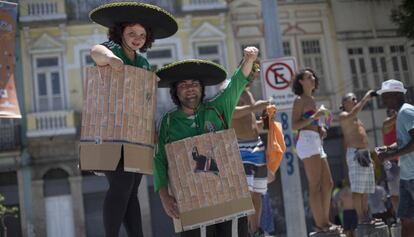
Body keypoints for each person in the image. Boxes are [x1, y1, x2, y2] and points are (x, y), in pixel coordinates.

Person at [88, 2, 178, 236]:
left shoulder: (144, 63)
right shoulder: (112, 49)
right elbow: (95, 51)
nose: (137, 38)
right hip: (110, 132)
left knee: (132, 188)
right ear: (121, 33)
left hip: (136, 133)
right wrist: (109, 58)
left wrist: (151, 129)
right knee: (121, 185)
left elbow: (145, 101)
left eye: (141, 34)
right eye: (131, 33)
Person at [154, 47, 259, 237]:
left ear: (202, 88)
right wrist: (164, 196)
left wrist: (249, 59)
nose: (190, 88)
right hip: (191, 200)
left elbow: (236, 84)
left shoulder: (218, 108)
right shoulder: (167, 123)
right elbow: (159, 160)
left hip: (230, 194)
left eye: (194, 83)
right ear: (175, 91)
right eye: (183, 84)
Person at [291, 68, 339, 233]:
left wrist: (321, 129)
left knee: (328, 183)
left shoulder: (312, 99)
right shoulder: (300, 100)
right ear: (301, 82)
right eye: (308, 76)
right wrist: (315, 116)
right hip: (306, 141)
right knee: (315, 185)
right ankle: (321, 224)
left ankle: (325, 220)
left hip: (316, 140)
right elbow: (294, 125)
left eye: (312, 76)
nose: (312, 78)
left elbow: (312, 121)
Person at [231, 66, 270, 237]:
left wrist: (266, 121)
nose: (253, 78)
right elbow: (230, 113)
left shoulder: (248, 92)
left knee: (258, 193)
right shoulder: (232, 87)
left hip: (257, 146)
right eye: (250, 74)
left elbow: (251, 123)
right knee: (246, 193)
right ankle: (244, 232)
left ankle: (255, 230)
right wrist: (254, 108)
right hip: (241, 147)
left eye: (255, 75)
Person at [375, 79, 414, 237]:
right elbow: (404, 142)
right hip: (406, 177)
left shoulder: (406, 111)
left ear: (398, 95)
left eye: (387, 95)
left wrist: (391, 154)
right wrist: (388, 148)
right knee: (406, 220)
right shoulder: (400, 114)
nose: (383, 100)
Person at [339, 91, 376, 226]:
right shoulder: (344, 115)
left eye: (356, 99)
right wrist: (365, 98)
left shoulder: (356, 119)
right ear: (344, 103)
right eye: (353, 99)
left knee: (366, 189)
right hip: (355, 154)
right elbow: (352, 113)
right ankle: (361, 218)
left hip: (365, 154)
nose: (355, 101)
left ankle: (367, 216)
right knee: (358, 189)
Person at [382, 108, 400, 217]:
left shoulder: (399, 126)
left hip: (402, 160)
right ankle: (398, 216)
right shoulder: (386, 123)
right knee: (394, 192)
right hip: (391, 162)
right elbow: (395, 118)